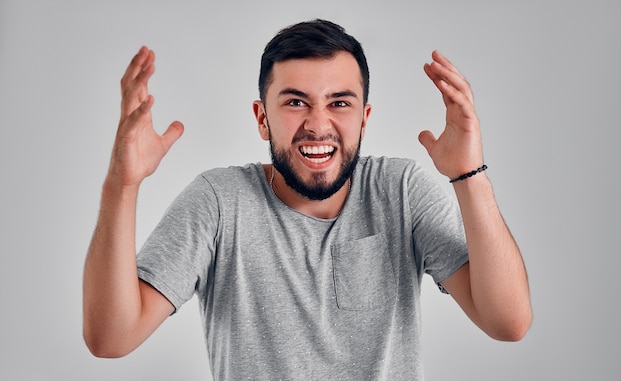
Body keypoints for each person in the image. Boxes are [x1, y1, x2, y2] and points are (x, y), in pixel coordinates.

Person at [83, 19, 532, 379]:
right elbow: (110, 339)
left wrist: (468, 175)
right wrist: (121, 185)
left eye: (339, 103)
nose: (319, 124)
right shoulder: (219, 202)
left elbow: (508, 322)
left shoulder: (399, 190)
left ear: (363, 119)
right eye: (296, 102)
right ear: (262, 118)